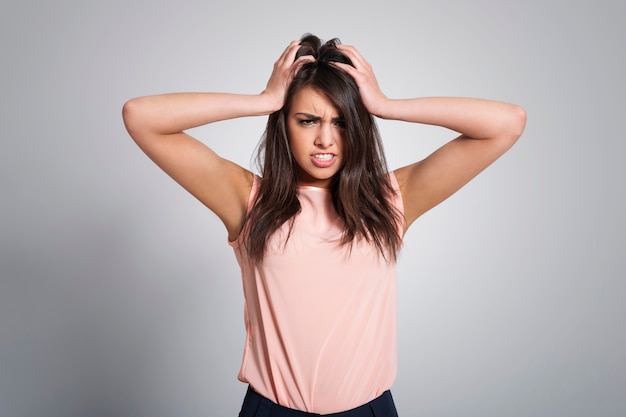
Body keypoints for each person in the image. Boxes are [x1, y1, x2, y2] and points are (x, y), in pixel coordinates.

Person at [122, 34, 526, 417]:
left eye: (342, 122)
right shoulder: (247, 201)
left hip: (368, 409)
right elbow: (141, 117)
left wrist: (386, 106)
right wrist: (264, 100)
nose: (326, 140)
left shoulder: (391, 199)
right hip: (271, 409)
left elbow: (507, 122)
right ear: (284, 124)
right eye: (308, 120)